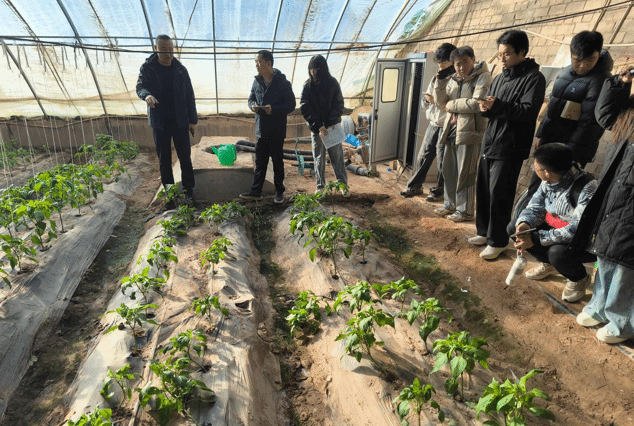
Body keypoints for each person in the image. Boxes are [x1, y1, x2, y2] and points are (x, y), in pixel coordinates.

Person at [516, 31, 614, 214]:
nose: (583, 65)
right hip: (550, 144)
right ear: (571, 55)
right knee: (536, 189)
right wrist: (542, 134)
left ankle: (541, 231)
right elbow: (552, 107)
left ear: (599, 54)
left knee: (558, 200)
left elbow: (589, 124)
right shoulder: (564, 73)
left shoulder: (601, 81)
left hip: (571, 152)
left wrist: (569, 156)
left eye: (590, 60)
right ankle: (525, 225)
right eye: (578, 60)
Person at [570, 65, 634, 344]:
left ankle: (622, 321)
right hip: (616, 186)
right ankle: (599, 306)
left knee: (626, 259)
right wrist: (620, 83)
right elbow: (605, 114)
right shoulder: (630, 107)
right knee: (606, 250)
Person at [470, 30, 546, 259]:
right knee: (484, 189)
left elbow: (528, 111)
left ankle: (498, 241)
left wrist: (498, 106)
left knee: (500, 194)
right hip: (491, 141)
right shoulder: (501, 77)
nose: (502, 58)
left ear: (522, 52)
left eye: (507, 54)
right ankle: (484, 232)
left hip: (510, 145)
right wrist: (486, 109)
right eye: (500, 53)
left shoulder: (534, 78)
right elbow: (494, 107)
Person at [509, 143, 597, 302]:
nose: (534, 170)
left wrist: (536, 238)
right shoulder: (548, 181)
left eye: (535, 167)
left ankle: (579, 278)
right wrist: (525, 225)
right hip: (555, 228)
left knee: (557, 253)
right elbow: (535, 207)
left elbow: (576, 230)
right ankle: (548, 264)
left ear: (547, 172)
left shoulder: (586, 187)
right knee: (514, 228)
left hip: (581, 240)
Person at [136, 34, 197, 205]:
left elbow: (189, 95)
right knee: (164, 160)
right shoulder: (148, 68)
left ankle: (188, 192)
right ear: (156, 49)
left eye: (170, 50)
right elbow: (140, 86)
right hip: (160, 122)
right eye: (164, 50)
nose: (168, 54)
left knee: (185, 158)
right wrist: (146, 95)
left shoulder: (180, 70)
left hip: (180, 121)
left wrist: (192, 120)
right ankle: (170, 195)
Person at [433, 46, 491, 222]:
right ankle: (449, 204)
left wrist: (452, 105)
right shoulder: (452, 79)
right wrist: (440, 84)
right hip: (450, 130)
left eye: (465, 62)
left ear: (473, 59)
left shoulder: (483, 76)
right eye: (457, 64)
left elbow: (477, 103)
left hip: (470, 133)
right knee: (448, 171)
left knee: (466, 174)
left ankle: (465, 211)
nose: (461, 67)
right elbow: (441, 104)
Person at [400, 43, 456, 201]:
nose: (441, 67)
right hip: (433, 124)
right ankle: (415, 186)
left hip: (447, 125)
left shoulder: (456, 81)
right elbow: (425, 102)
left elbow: (451, 104)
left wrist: (437, 101)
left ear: (453, 61)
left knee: (443, 161)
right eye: (439, 64)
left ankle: (439, 192)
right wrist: (427, 100)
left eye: (444, 63)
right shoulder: (435, 78)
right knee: (424, 156)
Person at [240, 50, 296, 203]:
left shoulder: (283, 83)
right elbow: (251, 98)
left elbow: (291, 105)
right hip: (261, 129)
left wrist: (274, 109)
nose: (256, 65)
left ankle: (279, 191)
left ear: (269, 63)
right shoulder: (256, 81)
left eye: (259, 62)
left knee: (277, 161)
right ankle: (256, 190)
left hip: (276, 129)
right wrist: (253, 105)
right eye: (255, 62)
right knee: (260, 161)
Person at [300, 55, 349, 195]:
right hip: (317, 129)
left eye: (315, 69)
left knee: (337, 157)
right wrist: (318, 125)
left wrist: (331, 121)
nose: (312, 72)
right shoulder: (308, 86)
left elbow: (339, 103)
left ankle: (343, 185)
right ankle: (320, 186)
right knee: (319, 158)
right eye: (310, 69)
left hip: (332, 127)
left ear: (322, 69)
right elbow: (305, 107)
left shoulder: (332, 83)